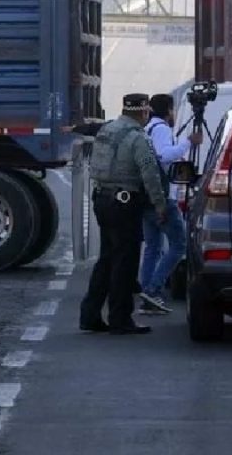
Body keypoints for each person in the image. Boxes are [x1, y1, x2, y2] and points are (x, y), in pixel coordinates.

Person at [79, 93, 167, 335]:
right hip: (126, 202)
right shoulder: (138, 137)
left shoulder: (107, 130)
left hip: (102, 198)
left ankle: (90, 314)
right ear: (144, 112)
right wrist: (159, 204)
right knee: (125, 263)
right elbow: (150, 173)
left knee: (106, 259)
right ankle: (120, 318)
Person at [138, 93, 202, 315]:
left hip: (146, 196)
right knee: (178, 244)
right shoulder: (162, 129)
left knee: (152, 247)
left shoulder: (147, 129)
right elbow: (165, 156)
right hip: (163, 197)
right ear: (167, 110)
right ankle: (153, 289)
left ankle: (147, 292)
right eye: (172, 110)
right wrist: (188, 142)